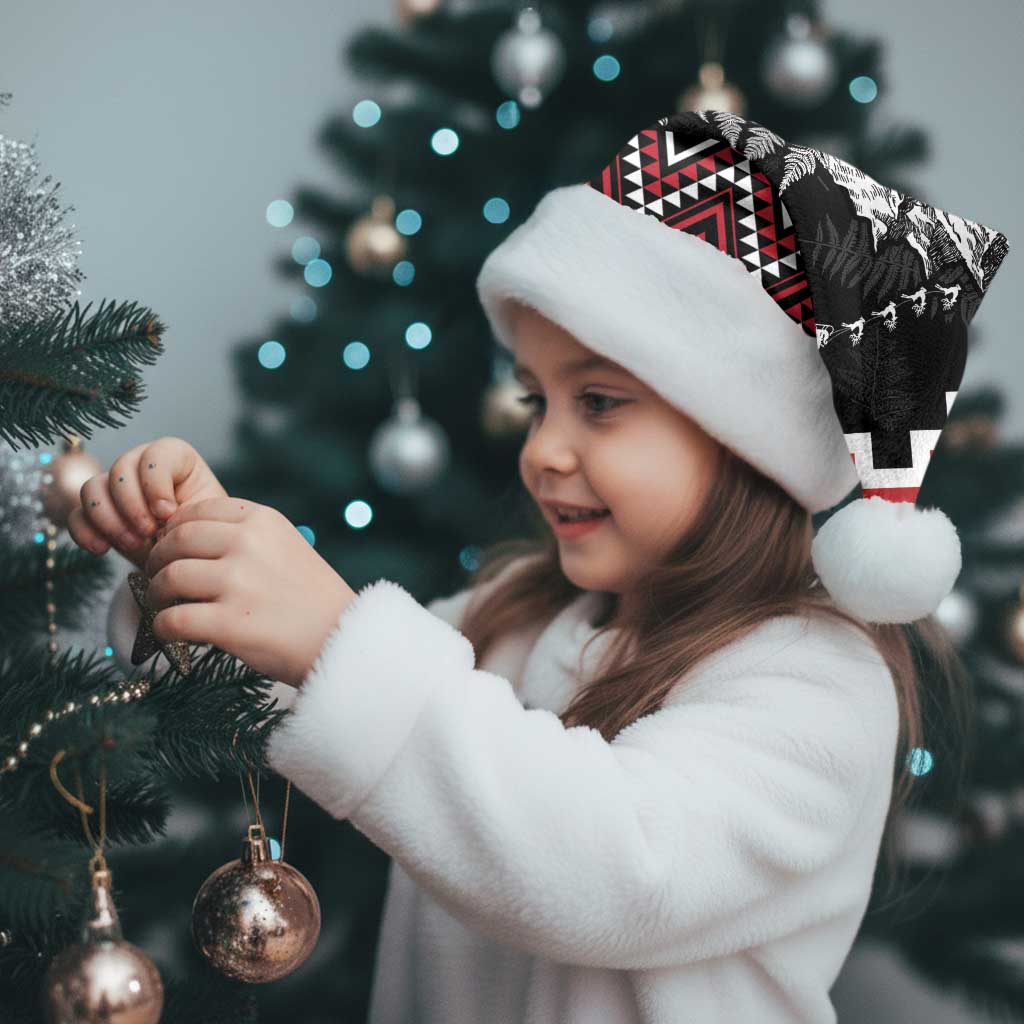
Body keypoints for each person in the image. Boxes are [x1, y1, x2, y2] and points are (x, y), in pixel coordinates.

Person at [73, 110, 1010, 1023]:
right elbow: (306, 690)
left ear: (746, 441)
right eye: (536, 401)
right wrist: (190, 566)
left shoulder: (818, 683)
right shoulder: (515, 616)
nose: (543, 450)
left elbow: (616, 871)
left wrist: (335, 636)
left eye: (598, 403)